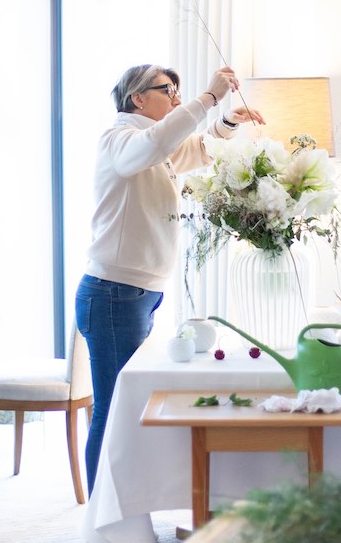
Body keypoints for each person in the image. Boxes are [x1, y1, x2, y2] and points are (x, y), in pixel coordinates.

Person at [76, 63, 264, 496]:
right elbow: (159, 141)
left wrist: (228, 120)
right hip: (112, 294)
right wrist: (209, 97)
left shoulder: (153, 145)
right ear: (137, 98)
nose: (177, 97)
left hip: (137, 294)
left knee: (127, 403)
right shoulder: (120, 140)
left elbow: (195, 148)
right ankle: (102, 518)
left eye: (179, 91)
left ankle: (118, 505)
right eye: (167, 90)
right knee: (114, 406)